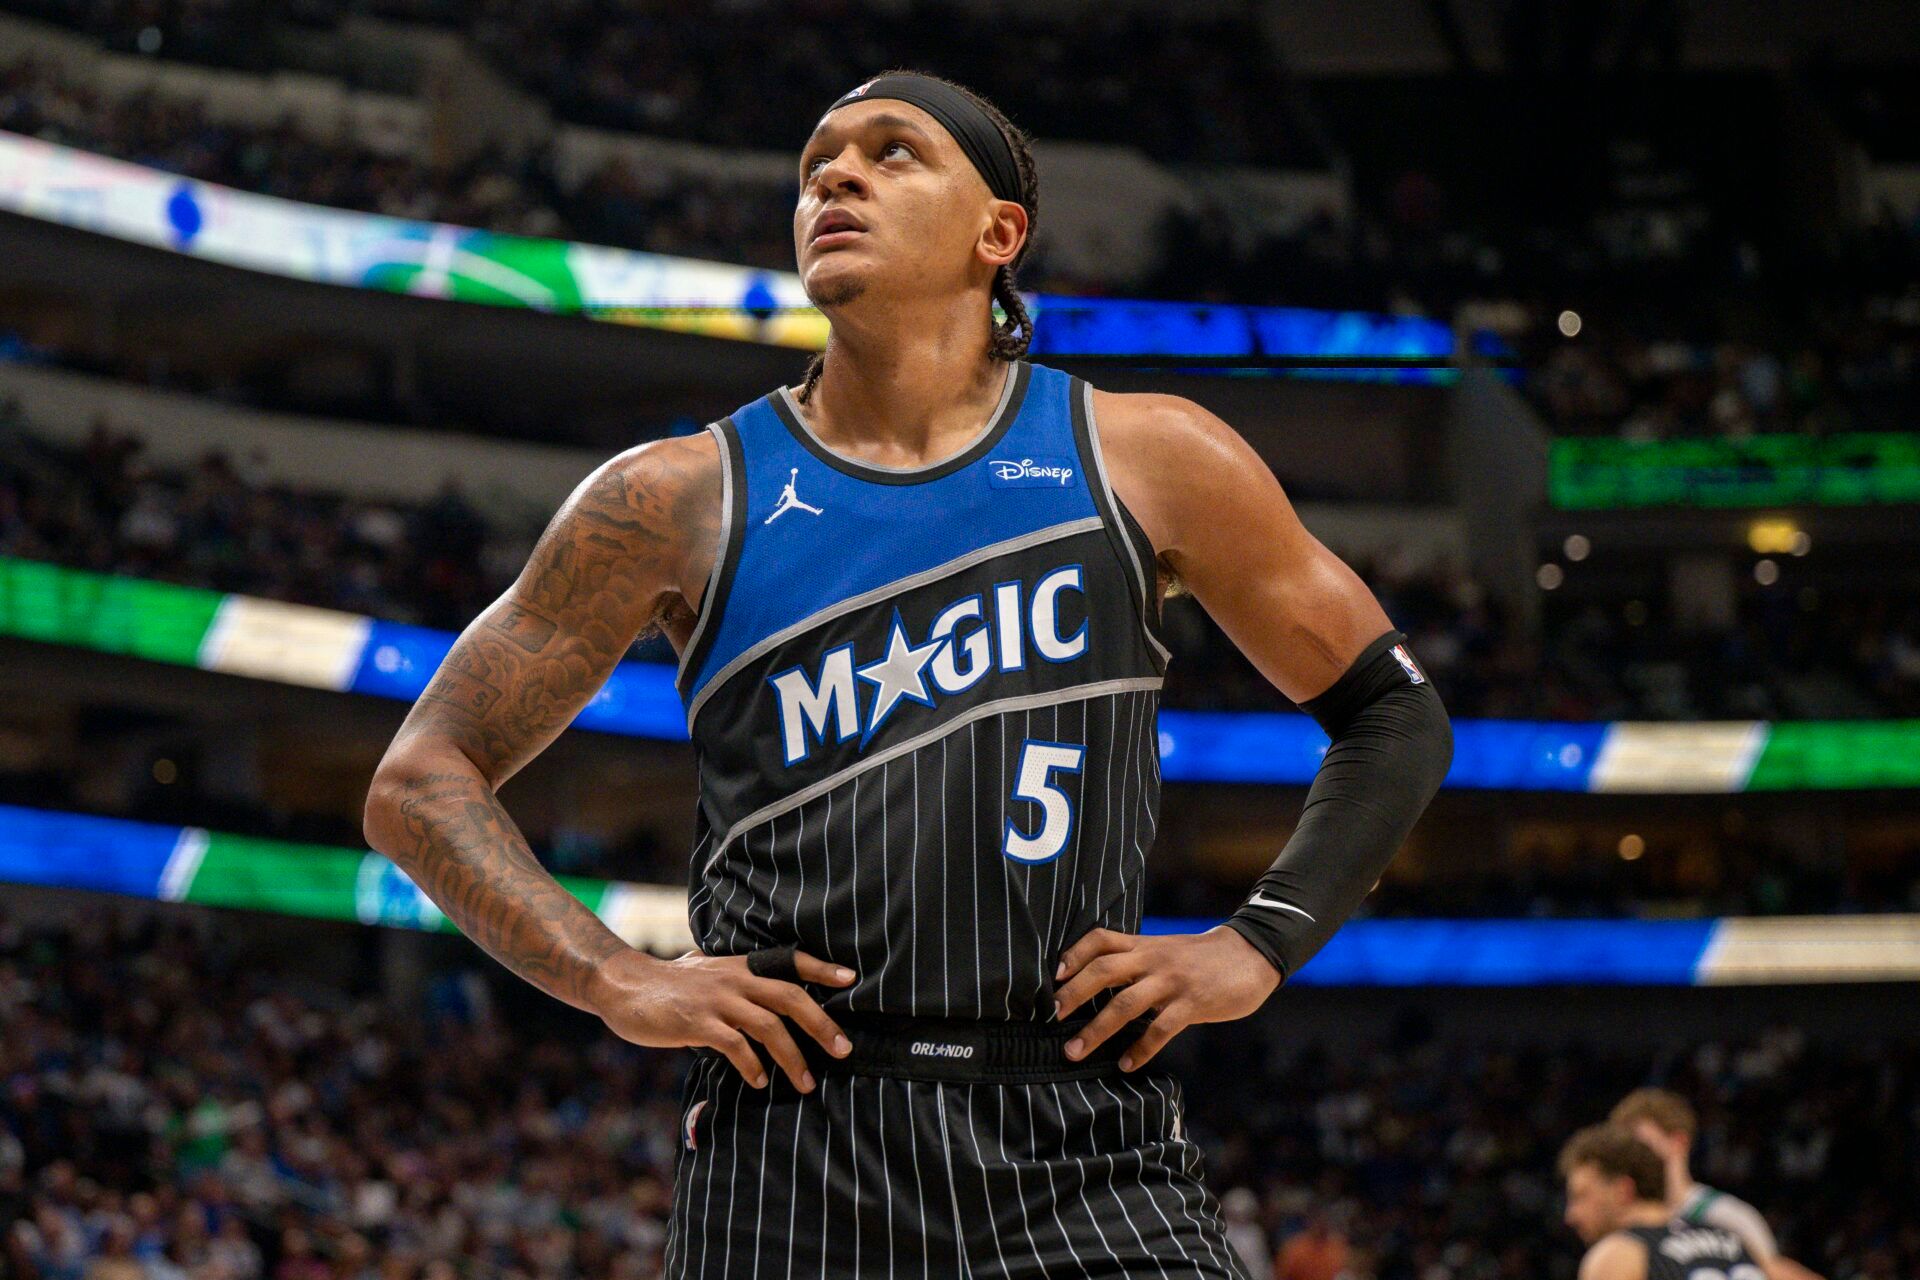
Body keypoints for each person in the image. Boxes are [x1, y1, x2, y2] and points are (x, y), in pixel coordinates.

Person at [364, 70, 1452, 1276]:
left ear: (1000, 234)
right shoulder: (673, 495)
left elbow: (1392, 711)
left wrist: (1258, 942)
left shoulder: (1149, 456)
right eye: (818, 160)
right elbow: (419, 778)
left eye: (894, 152)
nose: (835, 175)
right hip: (789, 1140)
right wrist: (615, 977)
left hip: (1079, 1134)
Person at [1610, 1089, 1825, 1280]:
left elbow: (1772, 1273)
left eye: (1642, 1146)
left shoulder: (1727, 1216)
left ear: (1678, 1142)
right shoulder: (1626, 1222)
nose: (1632, 1159)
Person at [1560, 1124, 1762, 1280]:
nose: (1570, 1215)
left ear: (1622, 1191)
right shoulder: (1733, 1240)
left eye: (1581, 1196)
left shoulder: (1620, 1254)